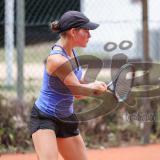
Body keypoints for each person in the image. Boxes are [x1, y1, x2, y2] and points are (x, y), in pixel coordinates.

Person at [29, 11, 107, 160]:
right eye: (86, 31)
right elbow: (77, 91)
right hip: (45, 118)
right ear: (73, 32)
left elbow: (79, 84)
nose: (90, 36)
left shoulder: (72, 52)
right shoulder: (57, 59)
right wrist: (93, 88)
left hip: (66, 118)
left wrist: (94, 86)